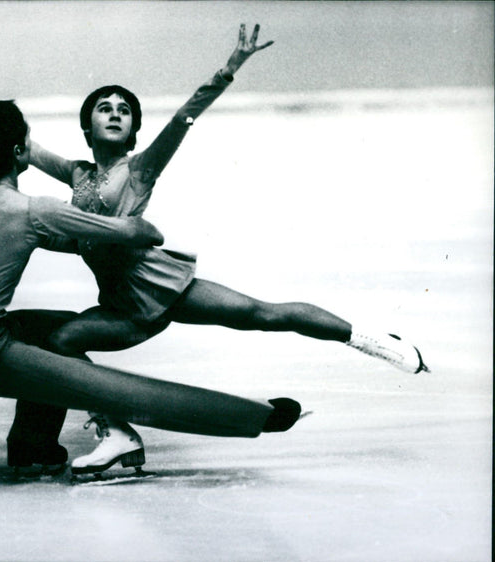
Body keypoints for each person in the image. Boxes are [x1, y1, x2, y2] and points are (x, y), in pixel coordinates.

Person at [27, 23, 429, 474]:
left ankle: (368, 340)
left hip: (163, 288)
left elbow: (182, 119)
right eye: (104, 108)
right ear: (87, 125)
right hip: (122, 309)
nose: (115, 113)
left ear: (135, 128)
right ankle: (118, 432)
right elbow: (27, 148)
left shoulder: (138, 170)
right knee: (61, 342)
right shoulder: (78, 175)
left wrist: (229, 69)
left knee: (263, 314)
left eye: (125, 110)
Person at [0, 99, 303, 476]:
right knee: (103, 385)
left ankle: (32, 444)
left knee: (56, 329)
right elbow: (137, 233)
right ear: (17, 151)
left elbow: (51, 239)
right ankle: (244, 418)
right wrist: (135, 228)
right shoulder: (31, 209)